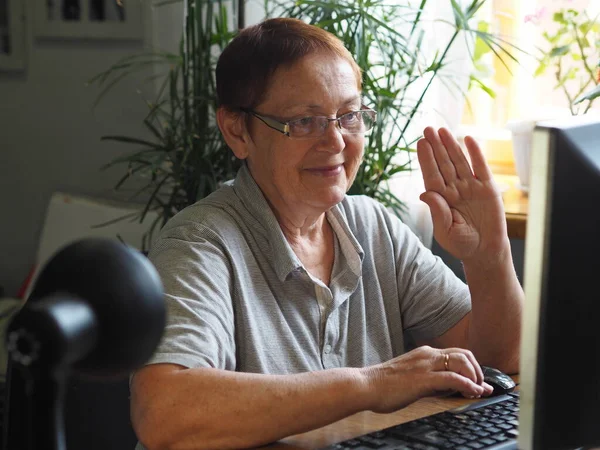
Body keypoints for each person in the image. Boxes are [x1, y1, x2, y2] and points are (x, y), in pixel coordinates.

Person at [130, 17, 523, 450]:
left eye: (348, 115)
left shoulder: (373, 226)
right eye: (303, 121)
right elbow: (166, 415)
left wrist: (489, 256)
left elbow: (498, 361)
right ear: (237, 131)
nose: (336, 141)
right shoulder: (199, 243)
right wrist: (371, 384)